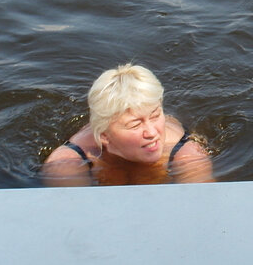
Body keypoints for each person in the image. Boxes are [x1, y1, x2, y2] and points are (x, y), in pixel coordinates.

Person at [42, 63, 213, 186]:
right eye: (135, 125)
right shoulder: (67, 165)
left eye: (155, 116)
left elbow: (199, 216)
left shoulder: (187, 156)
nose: (152, 133)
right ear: (105, 136)